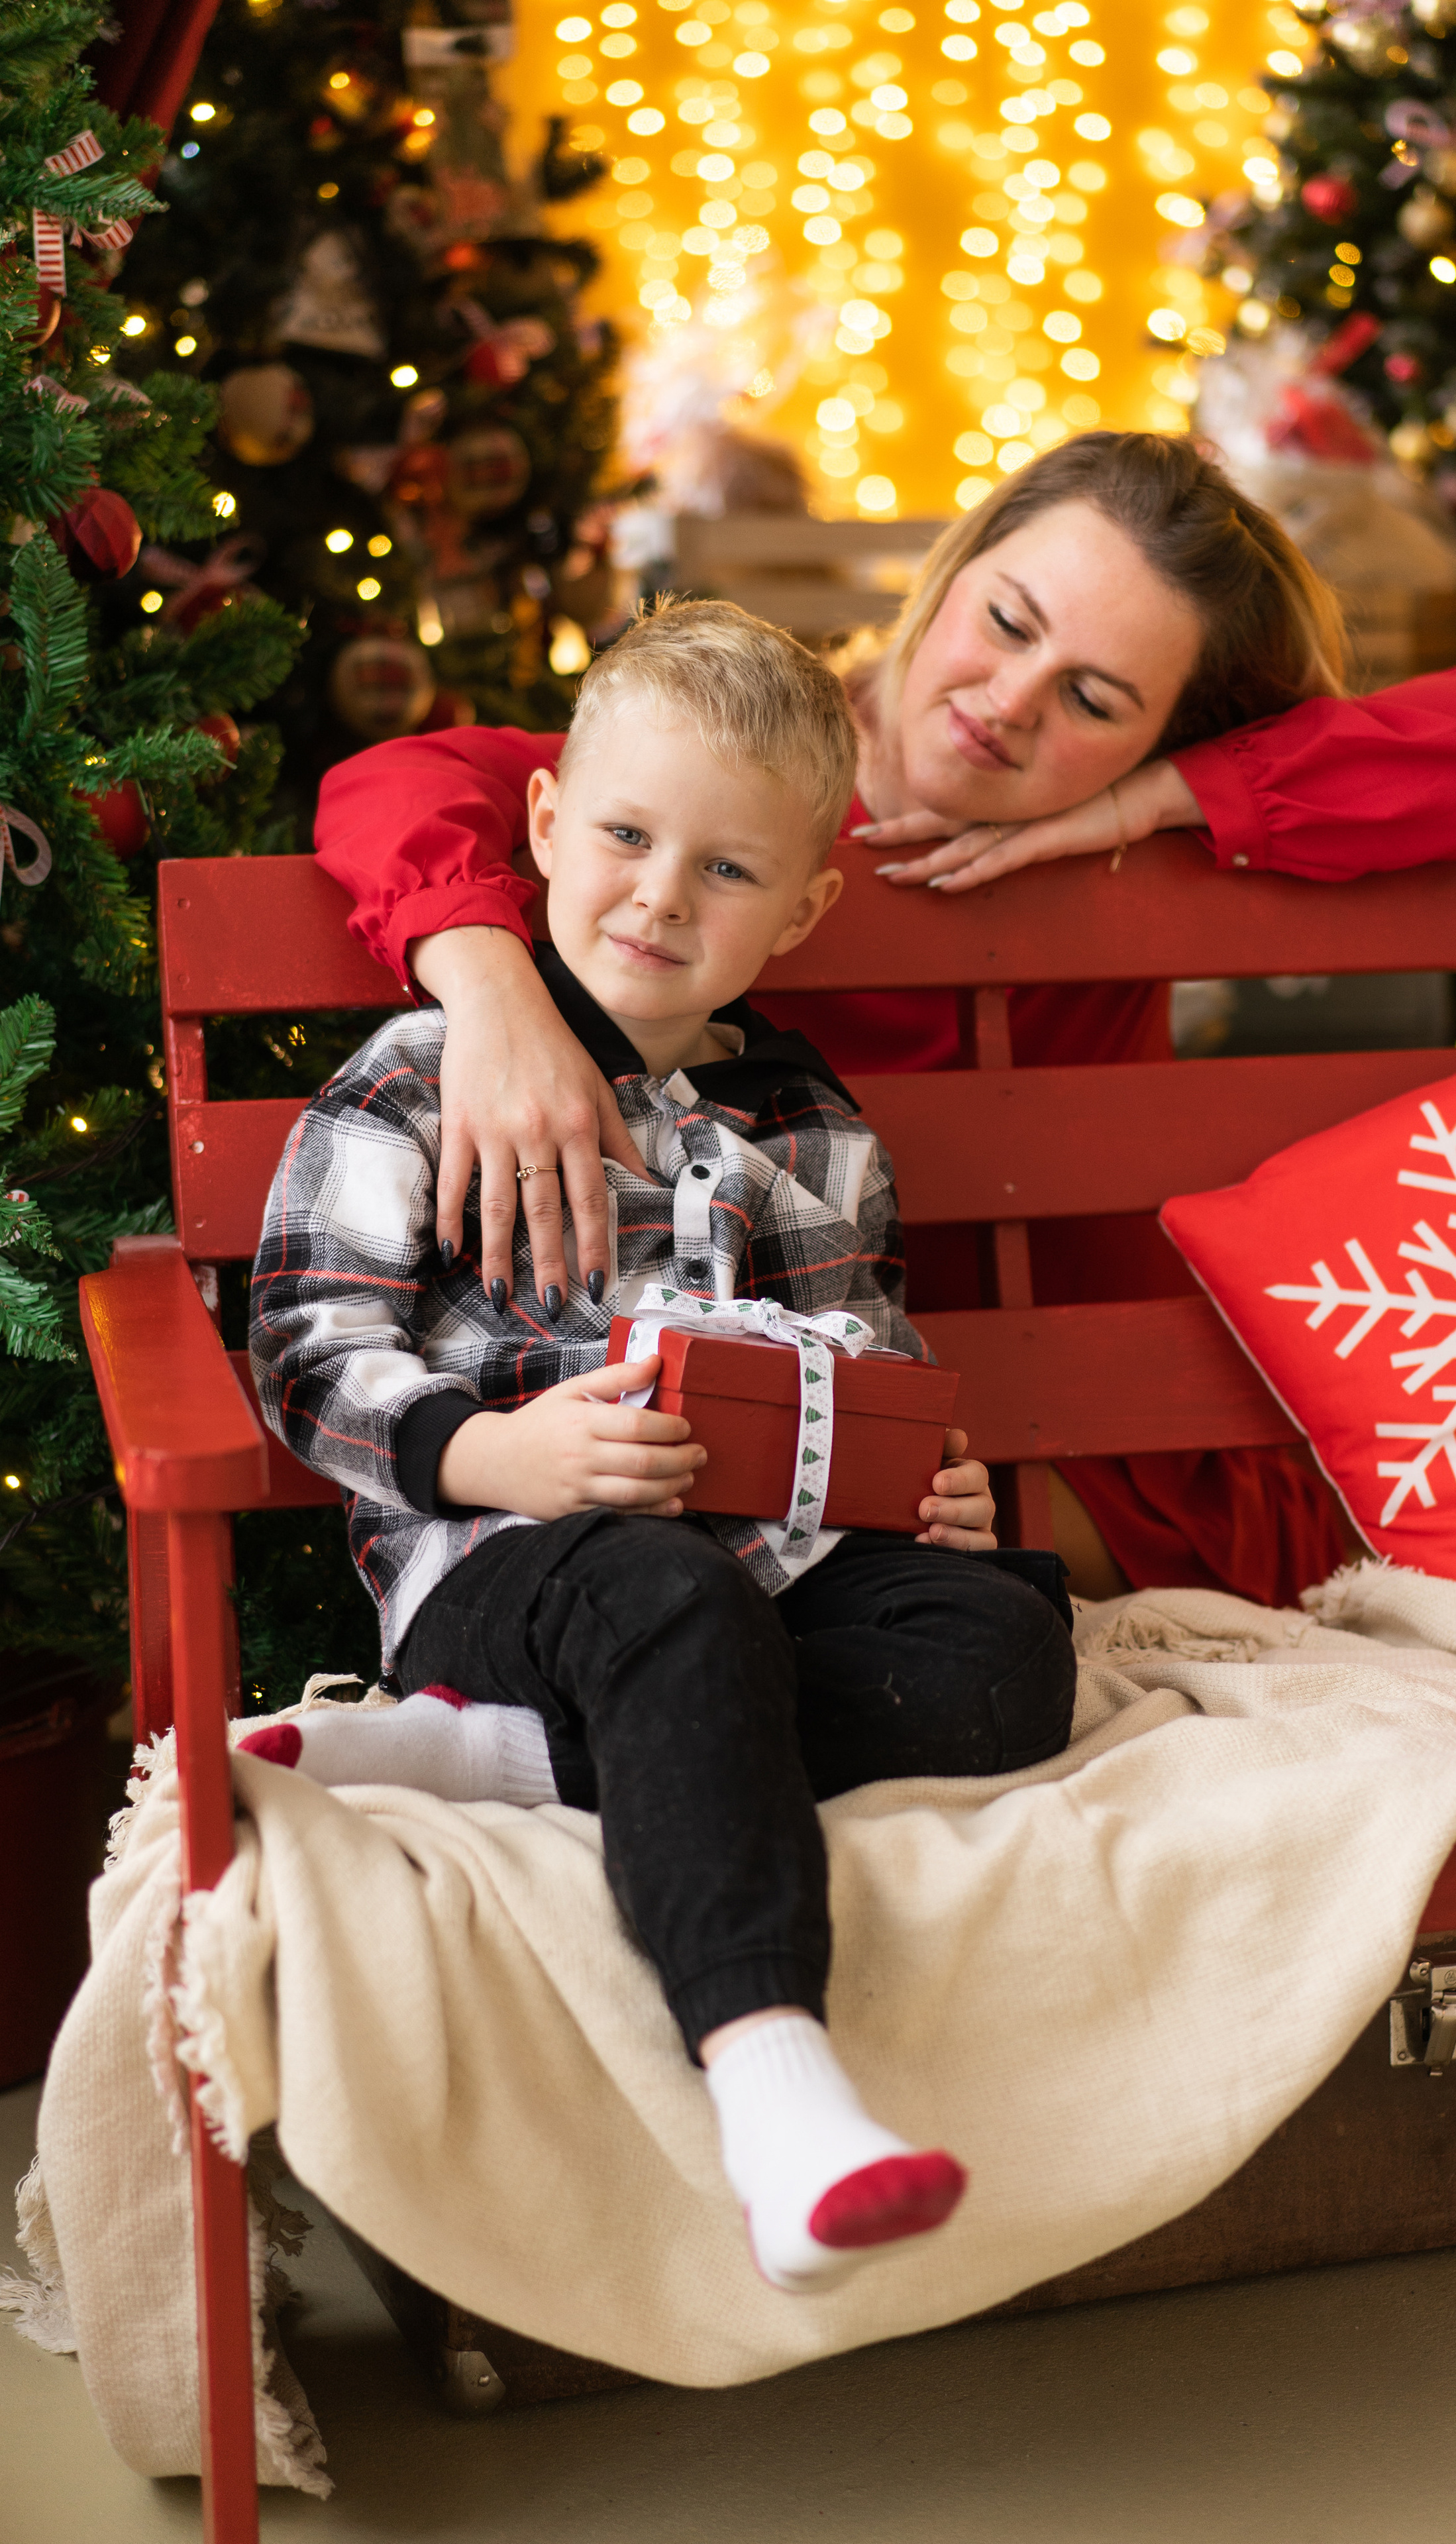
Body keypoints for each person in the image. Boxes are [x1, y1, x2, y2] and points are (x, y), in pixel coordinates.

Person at [313, 432, 1456, 1609]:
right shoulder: (741, 774)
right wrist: (496, 999)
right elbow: (395, 780)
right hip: (740, 1425)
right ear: (956, 565)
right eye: (1008, 621)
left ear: (1161, 737)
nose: (1010, 702)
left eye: (1097, 702)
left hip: (1065, 1446)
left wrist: (1152, 804)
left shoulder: (1132, 839)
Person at [245, 600, 1078, 2296]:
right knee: (665, 1604)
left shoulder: (812, 1128)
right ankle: (775, 2091)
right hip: (514, 1565)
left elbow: (866, 1357)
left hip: (766, 1573)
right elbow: (303, 1350)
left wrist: (929, 1481)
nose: (658, 896)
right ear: (546, 824)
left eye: (726, 870)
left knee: (1002, 1649)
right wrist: (492, 1456)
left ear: (803, 908)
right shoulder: (419, 1077)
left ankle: (502, 1760)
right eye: (625, 837)